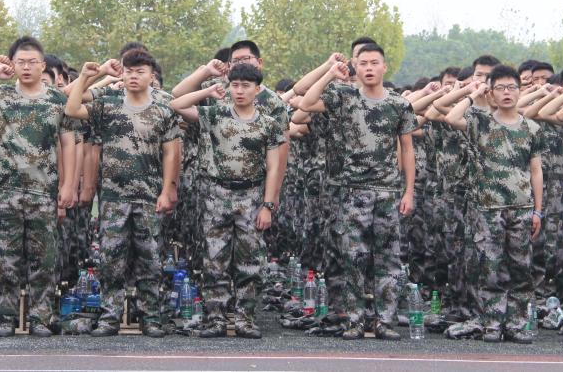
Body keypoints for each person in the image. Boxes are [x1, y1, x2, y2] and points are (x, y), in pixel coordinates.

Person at [0, 36, 79, 337]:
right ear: (12, 64)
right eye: (20, 62)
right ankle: (5, 317)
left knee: (44, 258)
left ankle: (40, 317)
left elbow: (68, 144)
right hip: (6, 190)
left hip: (43, 190)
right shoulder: (0, 95)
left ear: (43, 65)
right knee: (6, 257)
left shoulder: (58, 100)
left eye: (32, 62)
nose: (26, 67)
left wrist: (69, 185)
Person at [297, 43, 416, 340]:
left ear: (384, 67)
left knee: (388, 259)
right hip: (352, 191)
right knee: (353, 258)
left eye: (375, 63)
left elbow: (407, 148)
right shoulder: (344, 96)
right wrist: (330, 73)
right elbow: (307, 103)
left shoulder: (399, 104)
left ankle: (384, 321)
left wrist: (409, 191)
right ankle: (354, 320)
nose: (369, 68)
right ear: (355, 67)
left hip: (386, 191)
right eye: (363, 63)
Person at [65, 51, 180, 338]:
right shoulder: (109, 103)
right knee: (111, 261)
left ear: (151, 75)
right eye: (129, 71)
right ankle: (110, 316)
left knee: (150, 260)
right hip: (114, 198)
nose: (133, 76)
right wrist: (86, 76)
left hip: (149, 196)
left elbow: (171, 152)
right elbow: (72, 108)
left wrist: (168, 190)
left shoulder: (164, 107)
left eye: (140, 71)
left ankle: (151, 317)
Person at [170, 62, 285, 339]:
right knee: (214, 260)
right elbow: (176, 104)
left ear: (258, 89)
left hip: (251, 197)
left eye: (246, 86)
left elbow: (274, 168)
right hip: (216, 195)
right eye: (235, 85)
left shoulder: (268, 124)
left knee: (250, 262)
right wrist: (207, 90)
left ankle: (245, 319)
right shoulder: (215, 114)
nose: (239, 91)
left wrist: (268, 205)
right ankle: (215, 318)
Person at [445, 65, 544, 343]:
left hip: (521, 209)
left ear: (519, 91)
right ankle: (491, 322)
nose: (506, 93)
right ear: (491, 92)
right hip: (488, 209)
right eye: (500, 88)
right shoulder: (481, 122)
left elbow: (536, 171)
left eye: (511, 87)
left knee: (520, 269)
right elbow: (451, 117)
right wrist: (473, 93)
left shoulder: (531, 128)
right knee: (489, 267)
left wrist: (538, 210)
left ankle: (516, 323)